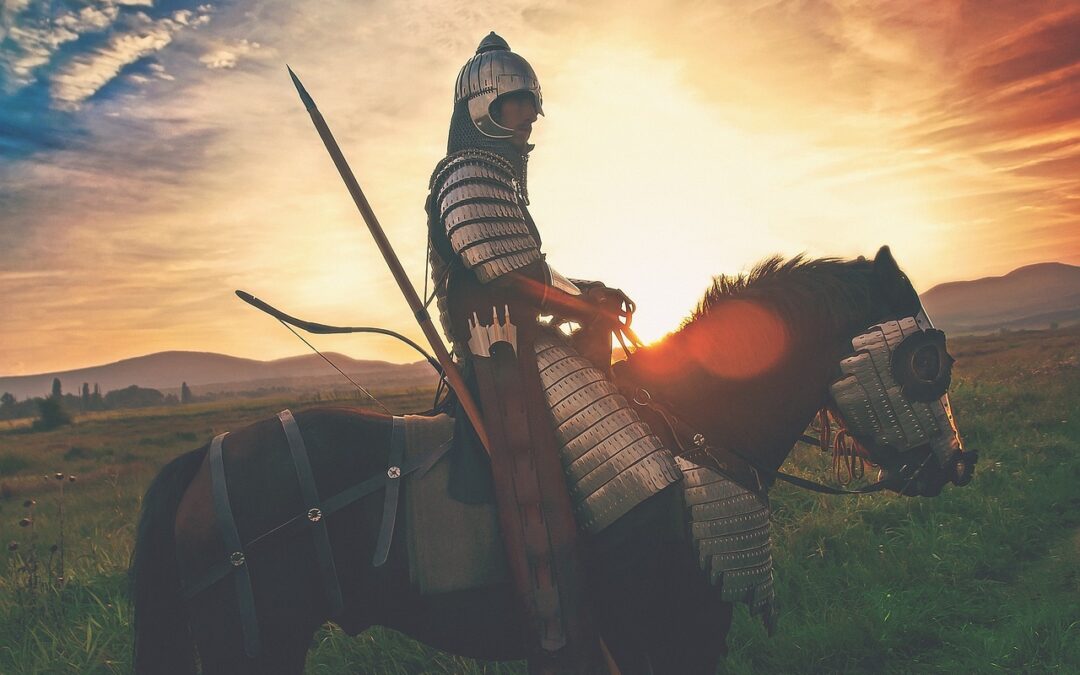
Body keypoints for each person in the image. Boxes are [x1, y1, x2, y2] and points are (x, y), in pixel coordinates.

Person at [425, 32, 681, 674]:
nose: (530, 116)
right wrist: (581, 305)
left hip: (523, 337)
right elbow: (507, 275)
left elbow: (535, 271)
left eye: (531, 104)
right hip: (499, 349)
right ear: (483, 107)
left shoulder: (499, 178)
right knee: (565, 462)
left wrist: (587, 293)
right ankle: (556, 620)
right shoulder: (468, 175)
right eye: (516, 103)